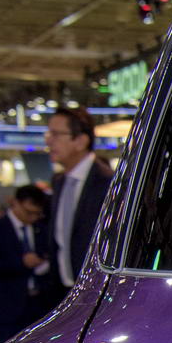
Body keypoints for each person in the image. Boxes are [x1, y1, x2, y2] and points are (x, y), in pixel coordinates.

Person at [39, 107, 112, 301]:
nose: (48, 141)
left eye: (56, 134)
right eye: (48, 134)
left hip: (97, 295)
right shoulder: (59, 181)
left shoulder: (108, 183)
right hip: (61, 293)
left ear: (80, 141)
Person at [0, 184, 52, 343]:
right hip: (10, 305)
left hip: (40, 304)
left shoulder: (42, 228)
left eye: (37, 213)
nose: (33, 217)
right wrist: (21, 263)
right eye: (29, 212)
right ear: (16, 203)